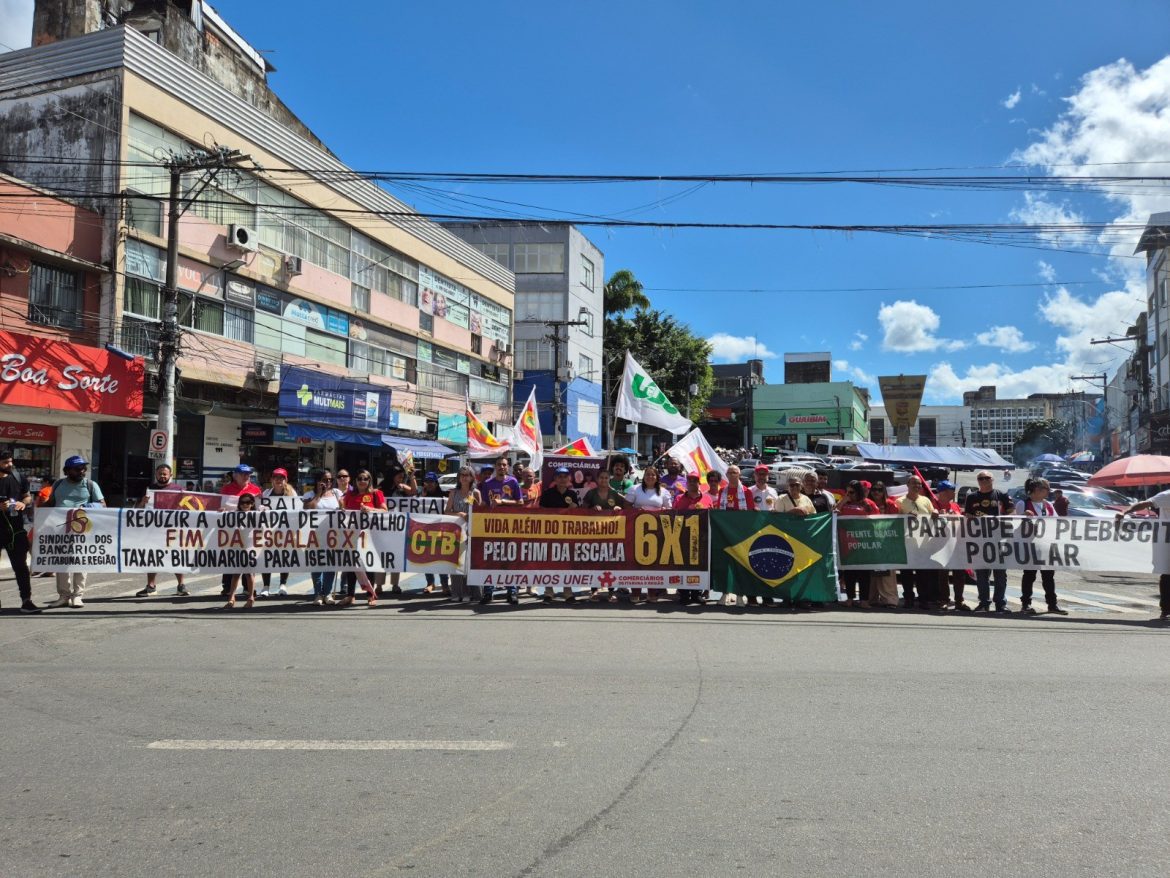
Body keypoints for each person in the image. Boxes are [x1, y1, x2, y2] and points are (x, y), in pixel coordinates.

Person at [38, 455, 105, 609]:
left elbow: (102, 505)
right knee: (61, 562)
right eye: (78, 468)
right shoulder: (59, 484)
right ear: (67, 470)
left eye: (83, 468)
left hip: (82, 528)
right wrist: (39, 511)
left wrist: (86, 508)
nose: (82, 471)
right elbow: (51, 503)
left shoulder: (90, 485)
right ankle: (63, 596)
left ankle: (78, 596)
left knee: (80, 561)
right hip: (60, 527)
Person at [1015, 477, 1068, 616]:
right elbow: (1014, 523)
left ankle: (1052, 604)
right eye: (1047, 489)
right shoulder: (1023, 504)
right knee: (1029, 575)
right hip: (1030, 545)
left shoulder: (1048, 505)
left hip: (1046, 545)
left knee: (1048, 576)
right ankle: (1025, 604)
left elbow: (1056, 522)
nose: (1048, 492)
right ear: (1038, 489)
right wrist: (1022, 516)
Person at [135, 463, 190, 598]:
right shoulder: (149, 489)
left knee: (176, 556)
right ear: (156, 475)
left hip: (173, 529)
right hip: (153, 530)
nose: (162, 476)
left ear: (171, 475)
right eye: (160, 473)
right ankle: (151, 586)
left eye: (165, 474)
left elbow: (188, 510)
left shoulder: (179, 490)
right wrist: (143, 501)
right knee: (152, 556)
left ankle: (181, 585)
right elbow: (137, 509)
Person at [964, 470, 1013, 614]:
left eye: (987, 478)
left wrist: (1003, 519)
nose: (984, 480)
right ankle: (984, 603)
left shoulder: (1001, 495)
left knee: (1000, 574)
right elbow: (967, 514)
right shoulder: (972, 497)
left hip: (999, 540)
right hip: (980, 541)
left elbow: (1012, 512)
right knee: (982, 575)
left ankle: (1000, 604)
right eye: (981, 478)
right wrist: (969, 516)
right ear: (977, 481)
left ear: (993, 479)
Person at [624, 466, 673, 602]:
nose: (650, 477)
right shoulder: (635, 489)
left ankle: (652, 592)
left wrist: (663, 510)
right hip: (637, 530)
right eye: (647, 474)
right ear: (643, 476)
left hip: (656, 531)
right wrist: (637, 510)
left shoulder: (663, 492)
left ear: (657, 477)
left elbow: (669, 509)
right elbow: (626, 506)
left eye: (653, 475)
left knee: (653, 562)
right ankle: (636, 592)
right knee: (636, 561)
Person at [0, 448, 39, 613]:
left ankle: (27, 600)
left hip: (15, 530)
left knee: (21, 567)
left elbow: (28, 496)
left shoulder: (18, 477)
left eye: (10, 461)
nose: (10, 464)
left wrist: (24, 503)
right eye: (5, 462)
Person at [479, 456, 522, 605]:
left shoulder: (513, 482)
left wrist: (503, 501)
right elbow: (484, 503)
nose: (502, 467)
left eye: (504, 465)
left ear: (507, 467)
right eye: (499, 465)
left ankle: (512, 591)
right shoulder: (487, 484)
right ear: (495, 467)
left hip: (510, 527)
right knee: (490, 559)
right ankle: (488, 592)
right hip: (492, 527)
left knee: (510, 559)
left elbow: (520, 502)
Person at [339, 470, 383, 607]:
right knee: (351, 565)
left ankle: (371, 595)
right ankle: (350, 595)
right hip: (352, 536)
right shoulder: (349, 495)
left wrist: (371, 510)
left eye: (365, 478)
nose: (362, 481)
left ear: (370, 480)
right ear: (355, 480)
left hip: (370, 536)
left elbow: (384, 510)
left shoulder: (376, 494)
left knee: (369, 565)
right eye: (359, 478)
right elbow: (344, 511)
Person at [219, 464, 262, 598]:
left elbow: (259, 508)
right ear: (235, 475)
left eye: (248, 474)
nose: (246, 476)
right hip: (231, 531)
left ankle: (248, 588)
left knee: (249, 559)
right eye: (243, 474)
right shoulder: (226, 489)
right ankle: (227, 588)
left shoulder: (256, 490)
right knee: (230, 557)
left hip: (249, 530)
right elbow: (220, 506)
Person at [302, 470, 344, 606]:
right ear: (317, 481)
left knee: (331, 564)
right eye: (325, 480)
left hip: (333, 535)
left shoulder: (337, 493)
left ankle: (327, 593)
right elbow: (308, 509)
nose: (328, 482)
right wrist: (319, 493)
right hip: (315, 535)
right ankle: (317, 594)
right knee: (317, 565)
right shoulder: (309, 494)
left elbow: (344, 507)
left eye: (330, 480)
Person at [897, 476, 940, 610]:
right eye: (914, 483)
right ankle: (908, 598)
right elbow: (894, 520)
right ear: (908, 485)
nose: (916, 486)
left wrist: (935, 512)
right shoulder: (899, 501)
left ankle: (923, 599)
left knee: (923, 574)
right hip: (907, 543)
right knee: (907, 573)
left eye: (919, 484)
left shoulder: (926, 500)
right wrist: (905, 516)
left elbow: (933, 512)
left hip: (924, 544)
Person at [258, 468, 301, 598]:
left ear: (286, 480)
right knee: (267, 557)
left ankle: (283, 585)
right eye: (276, 477)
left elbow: (297, 512)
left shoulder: (291, 494)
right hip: (268, 532)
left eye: (281, 477)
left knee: (284, 557)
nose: (278, 480)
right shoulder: (266, 493)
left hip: (285, 531)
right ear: (272, 480)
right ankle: (266, 587)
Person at [539, 467, 580, 603]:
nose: (562, 479)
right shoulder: (547, 494)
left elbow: (577, 515)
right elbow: (541, 513)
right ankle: (548, 592)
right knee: (548, 562)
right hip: (550, 532)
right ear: (555, 479)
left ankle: (567, 592)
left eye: (565, 476)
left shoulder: (573, 494)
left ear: (569, 479)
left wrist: (573, 510)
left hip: (567, 533)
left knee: (566, 562)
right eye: (560, 476)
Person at [932, 480, 970, 612]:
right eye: (951, 490)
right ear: (943, 492)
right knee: (943, 574)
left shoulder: (955, 506)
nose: (954, 492)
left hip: (956, 544)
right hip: (941, 544)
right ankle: (944, 599)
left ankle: (959, 600)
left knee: (959, 574)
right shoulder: (934, 506)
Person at [445, 466, 481, 603]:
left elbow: (480, 511)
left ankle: (470, 593)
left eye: (467, 475)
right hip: (455, 532)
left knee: (469, 564)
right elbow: (446, 511)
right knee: (455, 563)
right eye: (461, 475)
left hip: (472, 532)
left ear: (472, 477)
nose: (464, 477)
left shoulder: (475, 492)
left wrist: (473, 511)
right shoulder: (453, 493)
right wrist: (459, 514)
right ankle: (456, 592)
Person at [674, 472, 711, 605]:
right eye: (689, 480)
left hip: (701, 537)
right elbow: (673, 515)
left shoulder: (707, 499)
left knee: (699, 566)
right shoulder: (678, 498)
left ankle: (696, 594)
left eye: (695, 480)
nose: (692, 482)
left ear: (699, 483)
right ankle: (683, 593)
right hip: (683, 536)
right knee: (683, 566)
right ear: (686, 482)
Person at [835, 481, 873, 608]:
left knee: (864, 573)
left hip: (863, 544)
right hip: (847, 543)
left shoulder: (868, 504)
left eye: (851, 492)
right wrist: (843, 500)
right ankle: (850, 598)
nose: (848, 494)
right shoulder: (844, 503)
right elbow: (834, 513)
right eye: (847, 492)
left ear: (858, 492)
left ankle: (864, 600)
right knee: (849, 572)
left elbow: (878, 519)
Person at [223, 493, 258, 608]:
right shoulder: (234, 514)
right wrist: (220, 513)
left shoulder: (256, 515)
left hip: (250, 547)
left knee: (249, 574)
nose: (245, 505)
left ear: (252, 504)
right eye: (242, 502)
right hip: (237, 548)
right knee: (236, 574)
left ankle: (251, 597)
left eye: (247, 502)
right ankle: (231, 598)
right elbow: (223, 519)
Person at [419, 472, 451, 596]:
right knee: (426, 558)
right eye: (427, 482)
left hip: (441, 530)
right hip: (425, 530)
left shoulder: (444, 494)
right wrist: (421, 496)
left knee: (441, 558)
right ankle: (430, 583)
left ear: (436, 482)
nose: (429, 484)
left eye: (431, 482)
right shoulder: (421, 495)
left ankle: (444, 584)